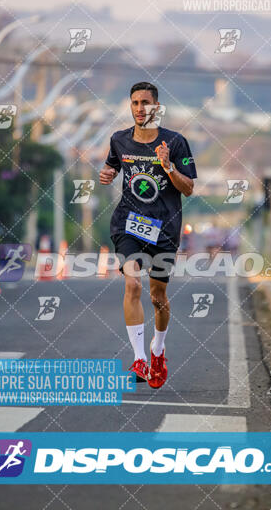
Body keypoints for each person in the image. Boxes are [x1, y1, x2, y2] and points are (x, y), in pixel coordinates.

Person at [99, 82, 197, 389]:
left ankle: (157, 350)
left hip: (164, 229)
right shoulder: (119, 140)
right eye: (135, 103)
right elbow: (111, 166)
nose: (140, 108)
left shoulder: (176, 142)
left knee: (157, 297)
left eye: (146, 102)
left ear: (157, 107)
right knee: (131, 285)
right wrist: (107, 174)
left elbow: (189, 188)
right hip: (128, 224)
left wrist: (168, 167)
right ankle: (139, 359)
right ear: (130, 106)